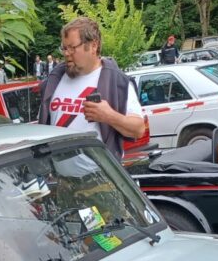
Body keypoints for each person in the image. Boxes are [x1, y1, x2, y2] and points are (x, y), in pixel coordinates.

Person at [36, 16, 145, 160]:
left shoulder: (116, 81)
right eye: (64, 47)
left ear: (93, 46)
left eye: (72, 48)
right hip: (58, 179)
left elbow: (138, 129)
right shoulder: (54, 80)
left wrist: (109, 116)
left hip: (100, 180)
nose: (66, 53)